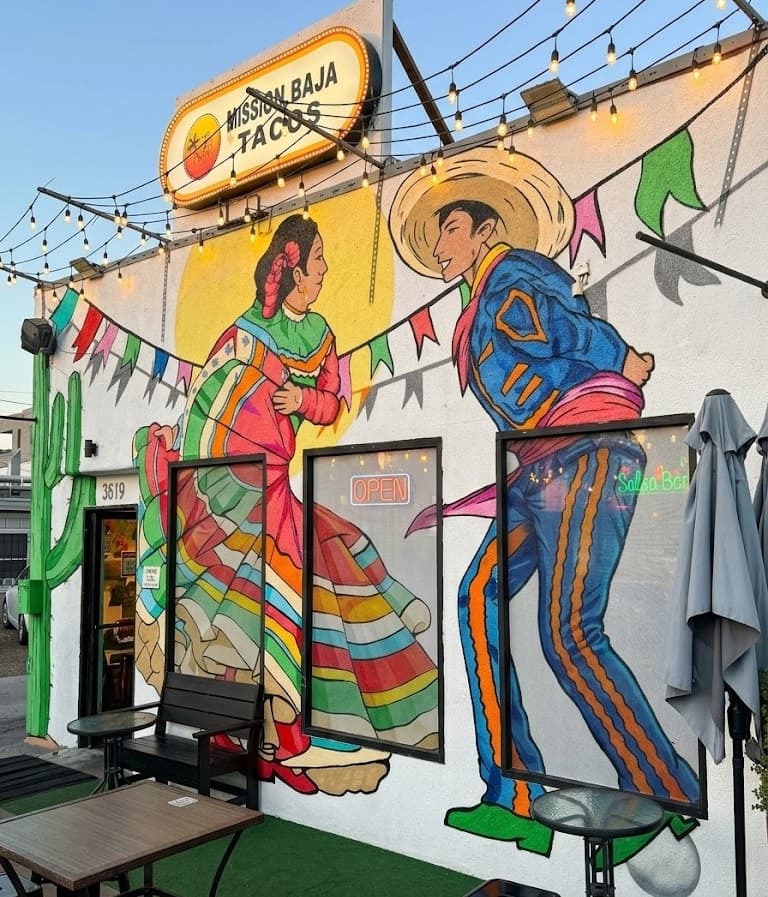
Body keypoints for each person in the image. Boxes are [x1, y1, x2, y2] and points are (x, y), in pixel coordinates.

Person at [389, 148, 698, 857]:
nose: (440, 246)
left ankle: (661, 791)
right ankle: (515, 793)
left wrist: (620, 355)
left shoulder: (511, 278)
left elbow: (562, 327)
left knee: (568, 633)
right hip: (537, 472)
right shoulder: (482, 299)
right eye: (439, 235)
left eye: (451, 229)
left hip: (586, 454)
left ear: (487, 231)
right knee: (476, 600)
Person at [135, 213, 438, 796]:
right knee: (260, 599)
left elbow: (331, 405)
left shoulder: (321, 332)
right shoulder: (244, 331)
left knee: (295, 580)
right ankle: (273, 737)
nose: (325, 270)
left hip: (278, 477)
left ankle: (289, 732)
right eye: (319, 259)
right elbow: (208, 404)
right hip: (235, 482)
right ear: (292, 265)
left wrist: (303, 397)